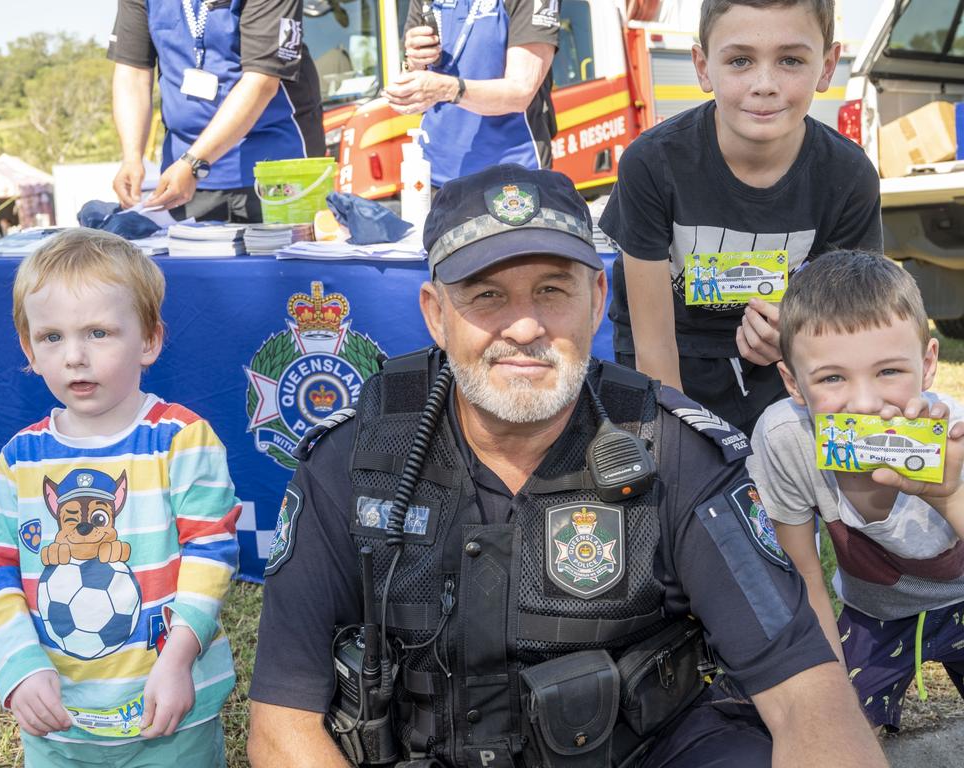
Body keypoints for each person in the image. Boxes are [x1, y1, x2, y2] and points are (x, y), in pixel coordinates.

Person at [245, 164, 886, 767]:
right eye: (487, 295)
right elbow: (283, 726)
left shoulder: (676, 452)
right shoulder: (353, 464)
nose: (525, 326)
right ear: (436, 315)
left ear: (596, 298)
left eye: (552, 290)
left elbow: (807, 690)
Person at [0, 229, 241, 766]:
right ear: (28, 348)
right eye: (51, 337)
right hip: (59, 727)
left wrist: (178, 657)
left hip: (170, 715)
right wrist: (20, 668)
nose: (74, 357)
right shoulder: (19, 460)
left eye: (98, 332)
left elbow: (211, 554)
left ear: (148, 341)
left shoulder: (181, 440)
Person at [598, 0, 881, 436]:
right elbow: (652, 343)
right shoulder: (653, 164)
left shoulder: (847, 175)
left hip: (779, 367)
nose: (764, 84)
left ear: (826, 67)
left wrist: (795, 336)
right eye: (740, 61)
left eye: (790, 60)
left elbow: (848, 329)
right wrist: (681, 451)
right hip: (671, 357)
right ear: (703, 66)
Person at [747, 250, 964, 734]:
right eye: (832, 378)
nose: (865, 404)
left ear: (928, 363)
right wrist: (831, 693)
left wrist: (947, 496)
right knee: (830, 730)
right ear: (793, 383)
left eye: (888, 371)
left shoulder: (954, 433)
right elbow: (805, 577)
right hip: (876, 616)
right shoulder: (788, 438)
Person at [108, 0, 325, 223]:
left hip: (278, 167)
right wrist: (133, 158)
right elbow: (132, 74)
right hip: (184, 178)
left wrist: (194, 162)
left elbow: (261, 83)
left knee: (283, 254)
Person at [384, 0, 559, 187]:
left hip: (512, 174)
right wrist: (414, 65)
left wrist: (445, 89)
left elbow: (521, 92)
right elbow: (415, 74)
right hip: (434, 175)